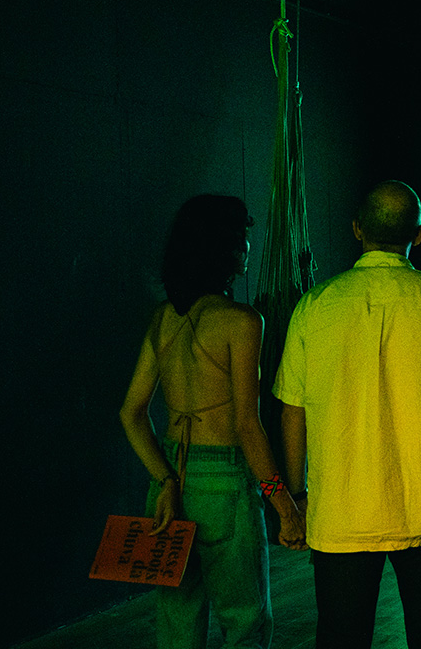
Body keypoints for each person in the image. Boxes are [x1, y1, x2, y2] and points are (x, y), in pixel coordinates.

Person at [274, 180, 421, 649]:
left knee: (340, 638)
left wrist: (296, 498)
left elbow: (291, 413)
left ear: (357, 229)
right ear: (419, 235)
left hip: (340, 512)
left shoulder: (314, 307)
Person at [120, 194, 306, 649]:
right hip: (224, 485)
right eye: (242, 241)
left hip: (171, 481)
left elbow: (131, 413)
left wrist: (165, 481)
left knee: (178, 621)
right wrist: (285, 505)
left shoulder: (162, 319)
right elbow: (248, 425)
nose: (247, 250)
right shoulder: (241, 321)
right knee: (245, 622)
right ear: (221, 250)